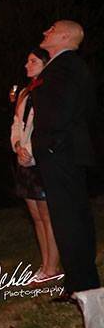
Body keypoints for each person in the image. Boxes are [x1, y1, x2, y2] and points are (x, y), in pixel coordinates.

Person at [31, 20, 100, 298]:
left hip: (62, 153)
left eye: (51, 29)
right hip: (63, 152)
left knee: (69, 218)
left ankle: (82, 286)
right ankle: (79, 282)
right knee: (69, 217)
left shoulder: (67, 66)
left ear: (63, 36)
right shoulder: (62, 66)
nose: (45, 31)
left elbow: (63, 110)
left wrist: (48, 144)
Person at [10, 49, 60, 281]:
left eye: (33, 61)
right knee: (35, 216)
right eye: (27, 60)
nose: (27, 65)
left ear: (45, 63)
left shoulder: (49, 90)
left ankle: (53, 266)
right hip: (24, 161)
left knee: (47, 214)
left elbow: (46, 128)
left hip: (40, 160)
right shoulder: (25, 93)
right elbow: (17, 124)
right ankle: (45, 263)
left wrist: (30, 152)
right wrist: (18, 145)